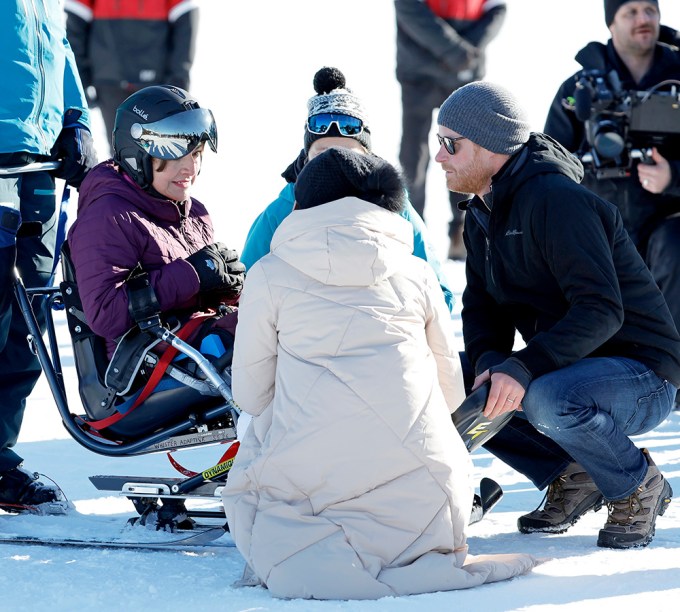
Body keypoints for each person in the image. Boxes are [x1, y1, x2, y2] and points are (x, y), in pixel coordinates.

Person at [222, 147, 536, 600]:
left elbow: (250, 395)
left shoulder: (269, 274)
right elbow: (450, 395)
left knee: (262, 423)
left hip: (311, 486)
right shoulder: (418, 273)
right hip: (428, 509)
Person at [435, 80, 680, 549]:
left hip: (643, 373)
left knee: (546, 396)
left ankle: (636, 483)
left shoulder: (557, 201)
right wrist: (490, 360)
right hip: (574, 366)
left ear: (490, 146)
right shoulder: (483, 213)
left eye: (451, 144)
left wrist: (523, 367)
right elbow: (481, 305)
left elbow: (601, 310)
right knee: (454, 379)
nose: (440, 156)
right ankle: (571, 473)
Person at [240, 66, 455, 313]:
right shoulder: (280, 213)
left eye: (349, 157)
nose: (336, 168)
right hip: (302, 344)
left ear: (368, 158)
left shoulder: (396, 209)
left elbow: (440, 294)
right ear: (305, 159)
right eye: (323, 156)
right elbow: (246, 292)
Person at [0, 0, 97, 514]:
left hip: (38, 163)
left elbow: (56, 45)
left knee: (29, 326)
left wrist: (75, 118)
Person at [67, 85, 244, 362]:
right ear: (136, 156)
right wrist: (194, 273)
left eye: (196, 154)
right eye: (174, 154)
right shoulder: (108, 217)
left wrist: (227, 288)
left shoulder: (194, 212)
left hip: (198, 346)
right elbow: (105, 312)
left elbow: (194, 297)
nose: (190, 168)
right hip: (149, 366)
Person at [544, 1, 680, 340]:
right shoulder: (578, 90)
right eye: (629, 12)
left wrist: (673, 176)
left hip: (666, 225)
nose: (642, 19)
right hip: (600, 226)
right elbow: (545, 164)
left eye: (649, 9)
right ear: (611, 23)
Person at [394, 0, 506, 260]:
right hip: (419, 70)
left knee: (462, 149)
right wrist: (457, 52)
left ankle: (462, 229)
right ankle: (412, 229)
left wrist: (466, 51)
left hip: (464, 69)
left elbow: (497, 10)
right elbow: (408, 8)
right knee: (413, 155)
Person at [64, 0, 199, 154]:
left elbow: (185, 25)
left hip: (155, 84)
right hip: (109, 82)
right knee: (122, 155)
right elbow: (76, 24)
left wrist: (178, 81)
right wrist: (81, 79)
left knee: (158, 157)